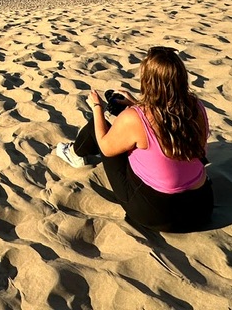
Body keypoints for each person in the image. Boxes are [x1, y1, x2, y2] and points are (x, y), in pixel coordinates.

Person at [53, 46, 213, 232]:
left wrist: (97, 106)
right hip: (201, 208)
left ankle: (75, 154)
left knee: (98, 128)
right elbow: (166, 121)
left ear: (148, 82)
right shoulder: (196, 107)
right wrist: (138, 105)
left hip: (159, 215)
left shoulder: (136, 117)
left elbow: (106, 147)